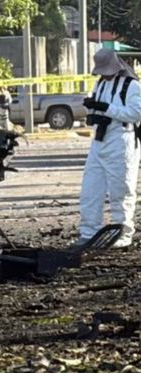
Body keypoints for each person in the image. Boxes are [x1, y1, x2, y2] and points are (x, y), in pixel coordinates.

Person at [78, 48, 141, 248]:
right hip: (100, 139)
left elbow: (135, 114)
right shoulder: (101, 83)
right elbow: (101, 109)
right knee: (90, 190)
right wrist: (92, 107)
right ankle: (89, 232)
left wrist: (108, 109)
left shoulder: (131, 85)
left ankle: (123, 233)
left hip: (121, 140)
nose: (104, 74)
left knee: (121, 191)